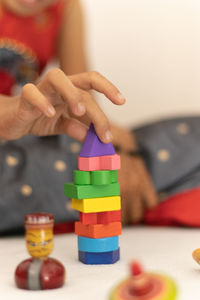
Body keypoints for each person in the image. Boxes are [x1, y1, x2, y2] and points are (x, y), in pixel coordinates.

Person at [0, 0, 158, 233]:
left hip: (24, 130)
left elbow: (81, 105)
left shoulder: (67, 8)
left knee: (160, 140)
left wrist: (117, 144)